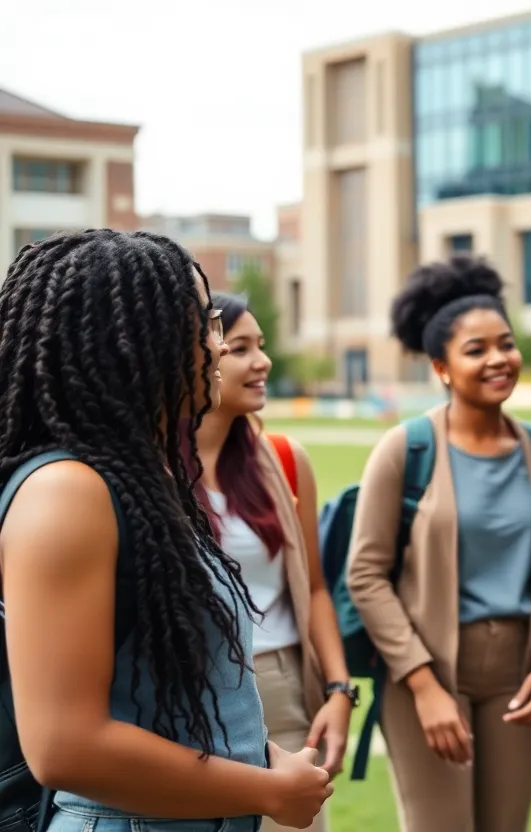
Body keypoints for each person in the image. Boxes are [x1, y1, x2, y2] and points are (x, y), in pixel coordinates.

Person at [0, 230, 332, 832]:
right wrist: (266, 790)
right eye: (207, 326)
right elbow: (63, 746)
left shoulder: (138, 476)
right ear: (134, 343)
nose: (218, 345)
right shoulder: (66, 493)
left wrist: (255, 755)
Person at [345, 255, 531, 832]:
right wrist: (423, 686)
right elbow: (366, 576)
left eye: (506, 344)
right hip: (426, 669)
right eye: (477, 350)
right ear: (442, 367)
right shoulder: (406, 450)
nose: (498, 359)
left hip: (518, 673)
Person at [189, 292, 355, 832]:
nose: (262, 361)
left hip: (281, 690)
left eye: (261, 346)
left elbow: (313, 590)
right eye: (240, 347)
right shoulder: (151, 470)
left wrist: (339, 692)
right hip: (190, 694)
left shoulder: (284, 460)